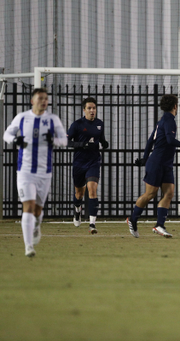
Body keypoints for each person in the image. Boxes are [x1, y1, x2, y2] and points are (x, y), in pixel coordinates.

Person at [3, 88, 67, 257]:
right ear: (33, 101)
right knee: (28, 206)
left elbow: (64, 140)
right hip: (24, 171)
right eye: (40, 98)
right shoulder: (22, 118)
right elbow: (6, 134)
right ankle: (28, 246)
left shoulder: (52, 120)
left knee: (38, 210)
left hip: (44, 172)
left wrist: (53, 140)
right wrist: (15, 139)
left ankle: (37, 225)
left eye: (46, 99)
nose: (43, 101)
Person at [126, 94, 180, 238]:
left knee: (169, 192)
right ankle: (132, 219)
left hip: (165, 163)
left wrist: (144, 158)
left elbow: (150, 141)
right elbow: (169, 140)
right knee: (150, 194)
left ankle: (160, 225)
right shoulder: (169, 120)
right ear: (175, 106)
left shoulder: (162, 120)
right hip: (157, 162)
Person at [67, 97, 109, 234]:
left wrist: (104, 143)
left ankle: (92, 224)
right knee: (79, 193)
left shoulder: (100, 124)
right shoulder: (77, 124)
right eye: (89, 108)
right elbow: (66, 142)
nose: (92, 111)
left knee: (92, 189)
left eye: (94, 108)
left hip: (94, 161)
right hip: (79, 163)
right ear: (84, 110)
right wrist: (81, 145)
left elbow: (101, 139)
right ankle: (77, 210)